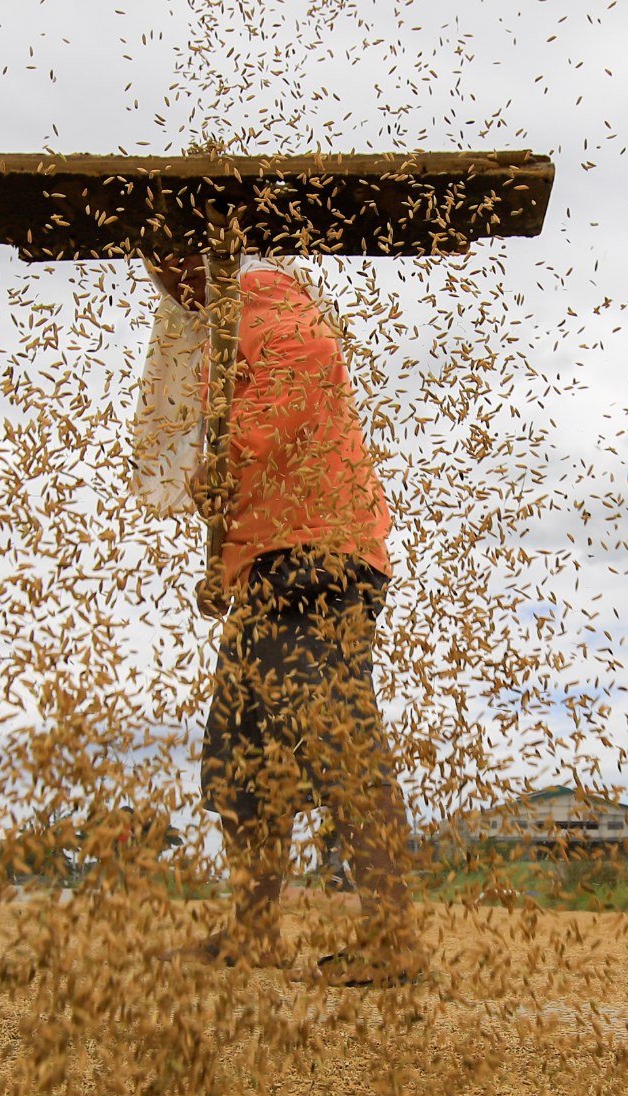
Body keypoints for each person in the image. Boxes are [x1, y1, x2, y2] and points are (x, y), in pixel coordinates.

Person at [132, 251, 424, 986]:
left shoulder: (267, 298)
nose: (165, 283)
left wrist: (228, 457)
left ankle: (394, 937)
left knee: (340, 744)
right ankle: (253, 931)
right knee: (240, 760)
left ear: (194, 253)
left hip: (318, 555)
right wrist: (224, 567)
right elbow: (241, 473)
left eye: (168, 264)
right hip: (268, 566)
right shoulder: (216, 332)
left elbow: (309, 366)